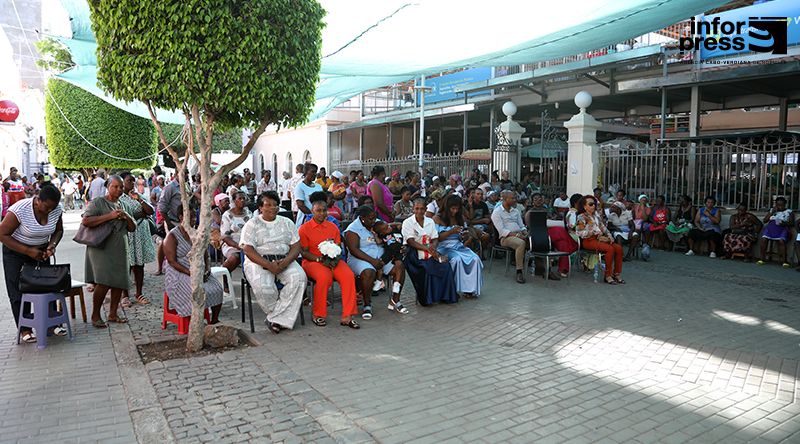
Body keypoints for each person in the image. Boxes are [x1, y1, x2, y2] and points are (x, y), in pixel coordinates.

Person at [0, 184, 64, 343]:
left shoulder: (56, 209)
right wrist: (28, 251)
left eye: (53, 207)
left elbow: (58, 231)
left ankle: (52, 323)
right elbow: (2, 234)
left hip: (41, 251)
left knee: (47, 285)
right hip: (15, 251)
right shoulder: (20, 209)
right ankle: (25, 329)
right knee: (18, 289)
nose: (50, 211)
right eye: (47, 207)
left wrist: (52, 246)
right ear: (37, 200)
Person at [240, 191, 306, 333]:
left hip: (284, 259)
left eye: (275, 205)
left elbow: (296, 246)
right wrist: (269, 265)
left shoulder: (287, 222)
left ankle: (274, 319)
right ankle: (278, 317)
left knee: (299, 278)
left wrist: (285, 262)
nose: (272, 208)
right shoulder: (252, 224)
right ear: (260, 208)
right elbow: (248, 249)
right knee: (264, 287)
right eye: (267, 205)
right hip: (258, 260)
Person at [82, 176, 137, 327]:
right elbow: (86, 221)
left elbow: (133, 228)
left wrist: (126, 217)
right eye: (115, 187)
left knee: (119, 281)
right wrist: (110, 216)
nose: (119, 189)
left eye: (120, 187)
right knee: (104, 282)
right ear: (108, 187)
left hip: (119, 248)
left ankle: (113, 314)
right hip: (102, 248)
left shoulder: (122, 204)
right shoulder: (98, 202)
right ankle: (95, 315)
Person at [299, 198, 360, 329]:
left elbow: (337, 247)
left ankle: (348, 315)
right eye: (318, 211)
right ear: (312, 211)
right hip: (312, 261)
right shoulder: (304, 229)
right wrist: (318, 259)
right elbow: (303, 252)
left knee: (348, 275)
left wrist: (334, 260)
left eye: (324, 210)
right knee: (324, 277)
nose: (321, 213)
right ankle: (318, 314)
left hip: (333, 260)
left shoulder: (333, 227)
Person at [344, 205, 407, 319]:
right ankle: (367, 304)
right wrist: (372, 261)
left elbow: (389, 229)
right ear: (362, 218)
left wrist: (397, 247)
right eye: (371, 219)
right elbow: (354, 250)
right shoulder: (353, 229)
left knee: (400, 266)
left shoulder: (376, 223)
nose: (374, 221)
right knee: (369, 272)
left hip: (382, 257)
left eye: (375, 218)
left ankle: (395, 300)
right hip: (361, 258)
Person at [163, 205, 223, 324]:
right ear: (181, 217)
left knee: (217, 288)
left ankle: (214, 320)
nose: (194, 220)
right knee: (195, 290)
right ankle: (195, 322)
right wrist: (191, 273)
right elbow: (172, 261)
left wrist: (207, 269)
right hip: (179, 272)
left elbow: (206, 255)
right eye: (191, 217)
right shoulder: (172, 236)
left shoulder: (197, 234)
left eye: (195, 217)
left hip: (199, 269)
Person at [401, 199, 458, 305]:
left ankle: (444, 296)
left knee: (445, 265)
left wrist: (433, 246)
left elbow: (435, 238)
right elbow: (410, 241)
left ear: (426, 209)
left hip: (430, 250)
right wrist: (427, 249)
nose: (419, 211)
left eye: (422, 209)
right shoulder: (407, 222)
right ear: (413, 209)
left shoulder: (430, 221)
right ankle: (428, 298)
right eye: (417, 208)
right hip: (414, 254)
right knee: (426, 268)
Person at [434, 195, 483, 298]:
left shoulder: (459, 218)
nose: (455, 211)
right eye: (453, 209)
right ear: (447, 207)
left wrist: (465, 236)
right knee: (457, 260)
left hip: (458, 245)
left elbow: (462, 236)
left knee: (475, 258)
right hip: (444, 247)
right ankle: (453, 289)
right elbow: (437, 238)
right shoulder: (437, 218)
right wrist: (451, 231)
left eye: (457, 209)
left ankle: (470, 290)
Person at [119, 172, 156, 307]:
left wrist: (139, 200)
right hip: (128, 234)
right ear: (122, 182)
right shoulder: (119, 198)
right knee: (126, 265)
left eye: (133, 181)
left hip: (140, 234)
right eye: (129, 181)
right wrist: (141, 213)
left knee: (139, 265)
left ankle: (139, 293)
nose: (132, 184)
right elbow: (125, 215)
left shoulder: (137, 196)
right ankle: (125, 296)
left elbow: (150, 211)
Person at [575, 195, 625, 285]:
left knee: (619, 248)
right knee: (610, 249)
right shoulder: (581, 217)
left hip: (599, 239)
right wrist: (593, 232)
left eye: (594, 204)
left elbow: (604, 228)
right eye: (590, 204)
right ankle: (608, 276)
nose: (593, 206)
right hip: (588, 241)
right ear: (584, 206)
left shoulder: (596, 216)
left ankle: (616, 274)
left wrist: (609, 236)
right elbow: (579, 232)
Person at [526, 192, 577, 279]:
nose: (538, 201)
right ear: (532, 202)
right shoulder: (530, 212)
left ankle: (562, 270)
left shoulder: (546, 210)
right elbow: (531, 227)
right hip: (538, 235)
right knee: (560, 230)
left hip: (550, 234)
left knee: (563, 243)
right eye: (535, 199)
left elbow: (554, 218)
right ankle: (573, 245)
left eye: (540, 199)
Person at [491, 190, 528, 284]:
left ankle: (543, 268)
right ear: (504, 199)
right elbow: (502, 231)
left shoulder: (515, 211)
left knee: (538, 240)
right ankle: (519, 271)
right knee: (521, 243)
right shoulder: (497, 212)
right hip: (506, 238)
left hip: (519, 234)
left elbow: (521, 225)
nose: (515, 200)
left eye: (515, 198)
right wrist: (516, 235)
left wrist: (525, 232)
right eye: (512, 198)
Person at [758, 196, 794, 267]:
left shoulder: (789, 212)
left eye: (781, 205)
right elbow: (765, 221)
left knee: (781, 241)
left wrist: (784, 223)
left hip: (782, 229)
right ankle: (762, 258)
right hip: (770, 229)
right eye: (778, 205)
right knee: (764, 239)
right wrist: (771, 213)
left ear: (785, 204)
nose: (779, 207)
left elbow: (792, 223)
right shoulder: (772, 210)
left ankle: (784, 261)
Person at [220, 191, 252, 272]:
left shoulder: (249, 213)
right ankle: (222, 275)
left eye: (244, 198)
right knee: (235, 257)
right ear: (234, 201)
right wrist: (238, 246)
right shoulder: (227, 215)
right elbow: (225, 237)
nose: (242, 200)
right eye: (240, 198)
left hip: (248, 245)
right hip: (232, 245)